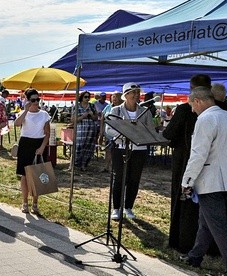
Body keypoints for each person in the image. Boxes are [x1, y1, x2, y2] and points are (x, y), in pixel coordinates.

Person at [180, 87, 227, 276]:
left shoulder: (205, 119)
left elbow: (198, 154)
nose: (192, 110)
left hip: (211, 181)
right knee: (207, 221)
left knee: (218, 227)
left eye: (192, 105)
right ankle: (195, 256)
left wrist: (187, 181)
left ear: (199, 101)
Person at [163, 74, 211, 252]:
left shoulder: (185, 109)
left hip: (186, 161)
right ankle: (211, 245)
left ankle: (183, 241)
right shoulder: (223, 108)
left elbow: (169, 134)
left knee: (186, 201)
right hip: (211, 165)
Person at [105, 82, 156, 220]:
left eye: (138, 93)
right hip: (121, 148)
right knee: (119, 178)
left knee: (134, 179)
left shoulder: (144, 111)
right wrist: (124, 133)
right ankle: (116, 208)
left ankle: (128, 207)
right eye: (133, 93)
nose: (136, 95)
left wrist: (139, 133)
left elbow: (151, 130)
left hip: (139, 150)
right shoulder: (116, 110)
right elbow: (108, 129)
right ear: (126, 95)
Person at [14, 88, 50, 216]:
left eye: (37, 99)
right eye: (33, 100)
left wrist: (42, 148)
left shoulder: (44, 114)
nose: (36, 102)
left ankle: (35, 203)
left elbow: (47, 133)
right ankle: (25, 202)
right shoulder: (24, 113)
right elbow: (17, 124)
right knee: (24, 175)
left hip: (39, 144)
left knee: (38, 175)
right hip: (25, 143)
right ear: (28, 100)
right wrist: (25, 110)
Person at [72, 91, 98, 172]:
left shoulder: (92, 106)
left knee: (88, 147)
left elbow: (96, 118)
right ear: (81, 97)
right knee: (79, 146)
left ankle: (84, 165)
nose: (87, 99)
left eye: (88, 97)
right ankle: (75, 163)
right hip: (81, 129)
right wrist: (84, 116)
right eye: (85, 97)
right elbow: (73, 120)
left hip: (91, 129)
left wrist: (91, 115)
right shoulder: (77, 106)